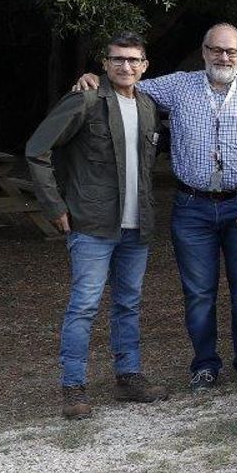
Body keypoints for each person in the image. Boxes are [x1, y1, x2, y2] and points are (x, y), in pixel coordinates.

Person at [76, 23, 237, 390]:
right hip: (192, 208)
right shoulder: (176, 86)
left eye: (232, 52)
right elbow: (127, 81)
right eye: (217, 50)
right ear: (204, 50)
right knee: (199, 292)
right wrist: (93, 77)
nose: (224, 57)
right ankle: (205, 365)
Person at [29, 32, 170, 418]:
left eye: (133, 60)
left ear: (144, 66)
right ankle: (73, 388)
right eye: (118, 60)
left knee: (128, 304)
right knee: (84, 307)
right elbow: (36, 150)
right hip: (91, 223)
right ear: (104, 64)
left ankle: (128, 377)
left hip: (136, 226)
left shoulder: (147, 106)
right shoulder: (85, 99)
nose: (126, 66)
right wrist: (54, 205)